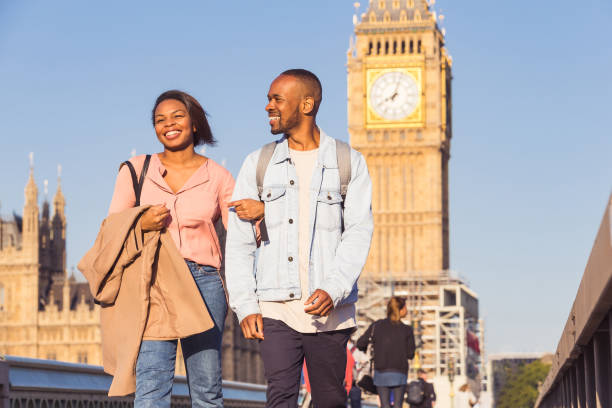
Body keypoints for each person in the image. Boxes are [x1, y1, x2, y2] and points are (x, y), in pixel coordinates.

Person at [225, 69, 374, 408]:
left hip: (329, 310)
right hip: (276, 306)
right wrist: (246, 304)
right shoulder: (258, 163)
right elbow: (238, 244)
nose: (267, 106)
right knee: (280, 397)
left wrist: (333, 288)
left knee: (330, 400)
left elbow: (359, 231)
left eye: (276, 99)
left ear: (307, 104)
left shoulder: (348, 163)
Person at [107, 90, 234, 407]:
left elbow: (243, 235)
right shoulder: (135, 170)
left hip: (204, 282)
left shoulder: (218, 176)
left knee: (206, 387)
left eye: (177, 116)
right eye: (159, 120)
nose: (168, 124)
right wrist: (141, 222)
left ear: (194, 123)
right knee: (151, 383)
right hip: (154, 281)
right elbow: (112, 229)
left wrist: (261, 214)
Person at [356, 297, 416, 408]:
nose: (407, 310)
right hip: (400, 372)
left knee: (384, 405)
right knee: (398, 405)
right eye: (405, 308)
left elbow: (360, 343)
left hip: (380, 372)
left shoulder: (376, 326)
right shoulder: (407, 329)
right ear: (401, 310)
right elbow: (410, 354)